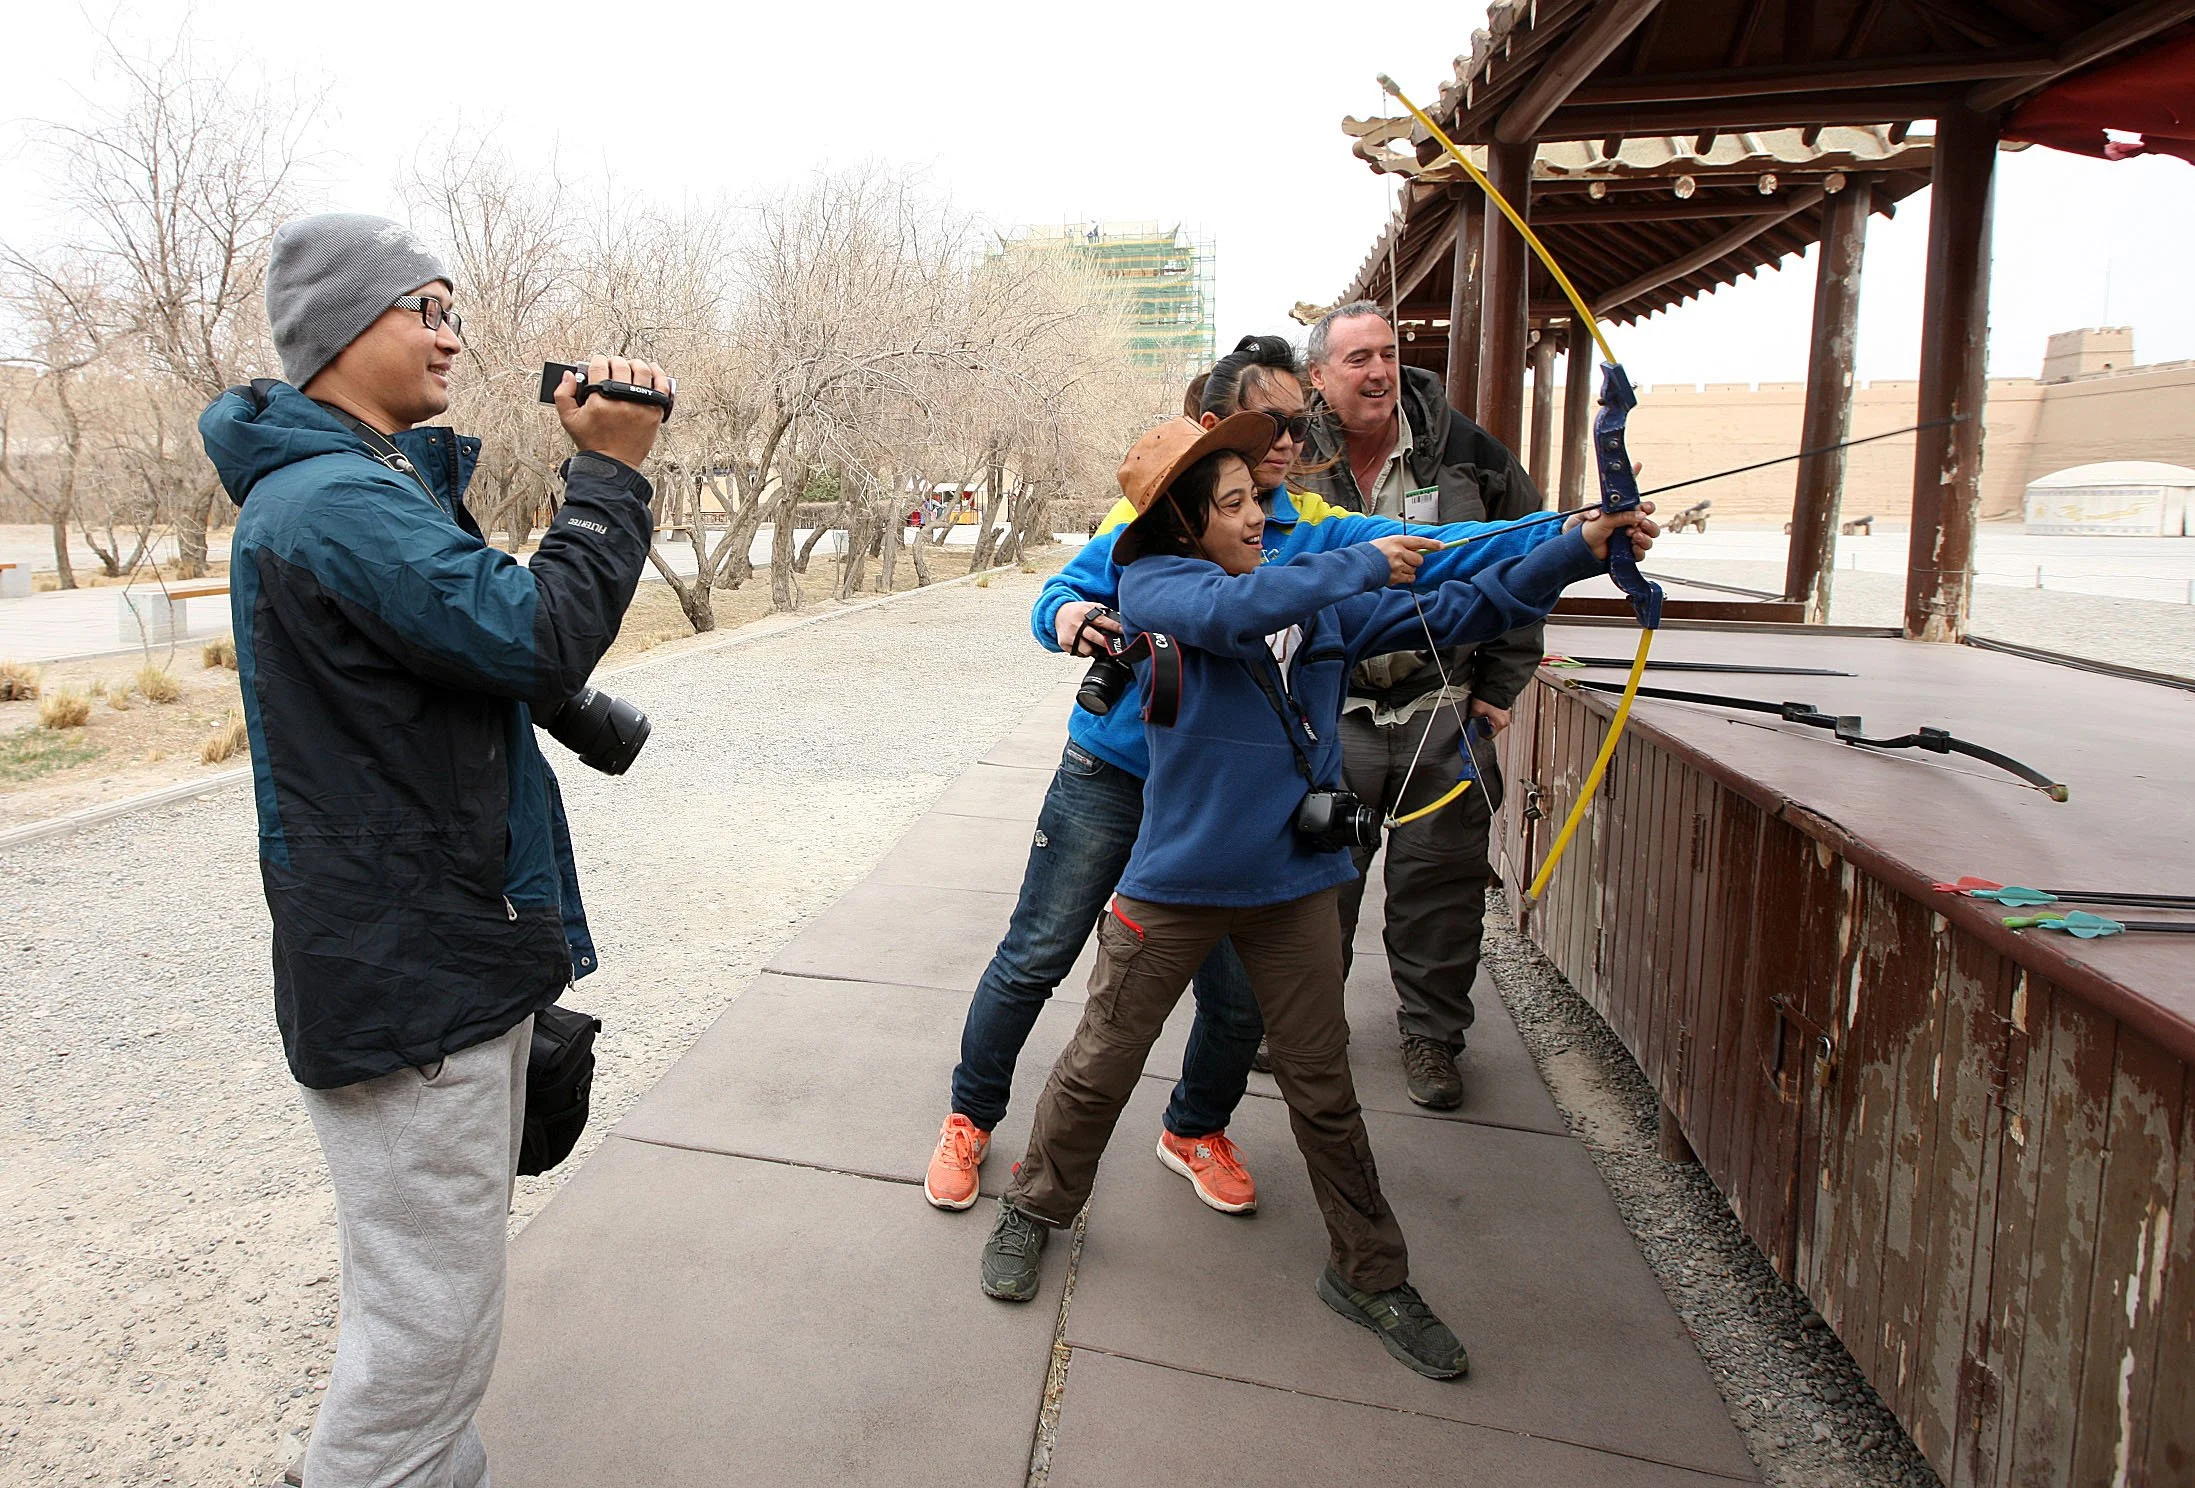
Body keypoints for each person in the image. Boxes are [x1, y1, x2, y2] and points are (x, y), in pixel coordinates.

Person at [980, 413, 1654, 1380]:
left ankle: (1370, 1273)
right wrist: (1366, 561)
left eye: (1257, 498)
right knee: (1100, 1064)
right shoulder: (1158, 583)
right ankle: (1034, 1210)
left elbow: (1464, 604)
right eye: (1237, 503)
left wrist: (1572, 548)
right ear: (1182, 521)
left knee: (1323, 1087)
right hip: (1174, 884)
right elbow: (1230, 617)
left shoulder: (1314, 598)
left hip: (1292, 884)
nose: (1263, 513)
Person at [197, 212, 669, 1488]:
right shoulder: (335, 500)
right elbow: (528, 638)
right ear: (348, 329)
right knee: (428, 1325)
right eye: (428, 308)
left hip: (432, 954)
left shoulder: (372, 483)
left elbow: (475, 649)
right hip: (415, 979)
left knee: (432, 1302)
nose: (454, 335)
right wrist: (612, 473)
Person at [927, 336, 1532, 1219]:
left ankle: (1194, 1129)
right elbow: (1051, 599)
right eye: (1273, 423)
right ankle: (970, 1118)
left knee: (1238, 992)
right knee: (1038, 953)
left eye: (1300, 422)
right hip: (1114, 771)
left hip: (1221, 802)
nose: (1291, 440)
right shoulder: (1151, 520)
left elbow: (1432, 545)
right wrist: (1079, 621)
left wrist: (1555, 535)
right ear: (1218, 430)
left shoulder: (1313, 527)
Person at [1294, 300, 1544, 1111]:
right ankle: (1302, 1030)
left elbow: (1529, 558)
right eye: (1355, 359)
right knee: (1313, 884)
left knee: (1441, 885)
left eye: (1386, 354)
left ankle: (1432, 1038)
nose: (1377, 373)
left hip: (1443, 703)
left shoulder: (1467, 451)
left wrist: (1499, 686)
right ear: (1317, 378)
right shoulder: (1288, 457)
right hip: (1331, 707)